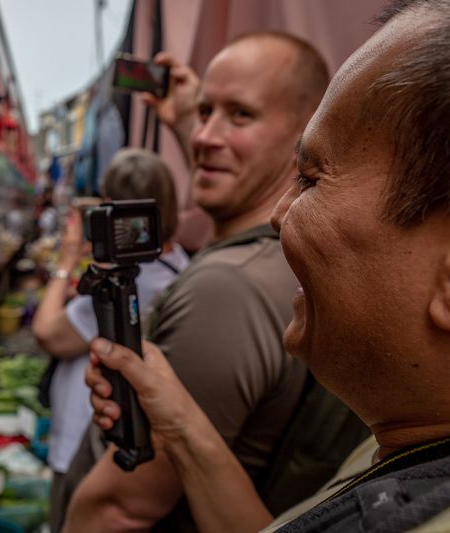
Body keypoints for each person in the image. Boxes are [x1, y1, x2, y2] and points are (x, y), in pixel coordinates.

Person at [84, 0, 450, 531]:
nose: (280, 216)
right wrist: (185, 431)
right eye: (205, 114)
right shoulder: (431, 443)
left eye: (309, 177)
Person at [62, 32, 357, 532]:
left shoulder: (226, 290)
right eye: (204, 114)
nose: (204, 137)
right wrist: (186, 116)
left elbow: (122, 507)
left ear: (309, 134)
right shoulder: (290, 254)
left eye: (240, 114)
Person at [32, 148, 190, 532]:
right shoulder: (177, 263)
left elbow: (48, 333)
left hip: (87, 444)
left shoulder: (137, 279)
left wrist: (66, 262)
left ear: (111, 209)